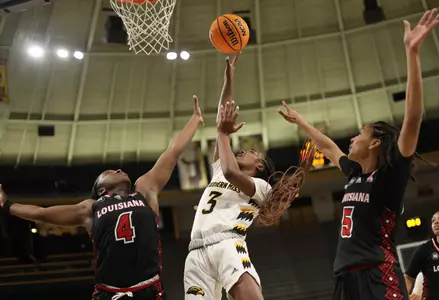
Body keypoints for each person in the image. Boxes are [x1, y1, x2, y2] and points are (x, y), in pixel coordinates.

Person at [277, 9, 439, 300]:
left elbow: (412, 120)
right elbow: (328, 147)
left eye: (360, 134)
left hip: (376, 274)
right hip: (344, 278)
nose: (352, 138)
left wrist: (412, 53)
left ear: (376, 143)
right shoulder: (354, 174)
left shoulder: (389, 179)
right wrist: (302, 122)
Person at [0, 96, 205, 300]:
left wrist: (195, 119)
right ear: (100, 189)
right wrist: (7, 204)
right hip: (109, 293)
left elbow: (172, 152)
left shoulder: (144, 189)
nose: (118, 169)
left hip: (149, 290)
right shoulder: (91, 208)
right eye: (110, 171)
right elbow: (41, 213)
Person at [183, 55, 315, 300]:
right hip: (195, 253)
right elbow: (222, 117)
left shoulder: (261, 187)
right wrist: (228, 81)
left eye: (252, 152)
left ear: (261, 165)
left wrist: (223, 134)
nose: (242, 150)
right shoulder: (220, 170)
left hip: (228, 245)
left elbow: (232, 167)